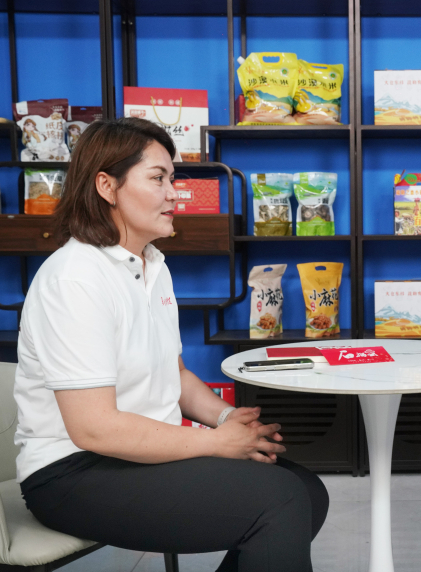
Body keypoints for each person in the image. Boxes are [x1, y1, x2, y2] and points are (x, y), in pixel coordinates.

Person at [14, 117, 328, 572]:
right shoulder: (74, 279)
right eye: (158, 178)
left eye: (173, 179)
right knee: (279, 500)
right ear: (107, 186)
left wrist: (227, 419)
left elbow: (174, 374)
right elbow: (93, 429)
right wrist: (215, 443)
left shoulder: (152, 266)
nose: (174, 194)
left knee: (307, 491)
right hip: (73, 472)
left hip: (143, 455)